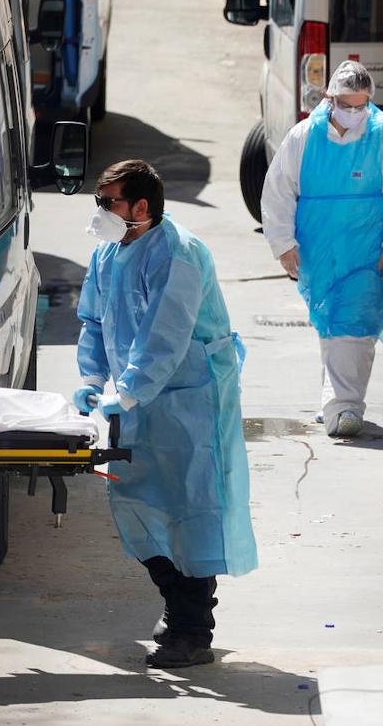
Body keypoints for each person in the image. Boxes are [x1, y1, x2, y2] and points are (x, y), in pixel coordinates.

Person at [74, 160, 257, 668]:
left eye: (108, 202)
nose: (101, 211)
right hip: (137, 400)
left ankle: (192, 629)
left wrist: (127, 390)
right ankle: (179, 607)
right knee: (136, 503)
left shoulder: (179, 254)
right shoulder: (109, 252)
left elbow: (165, 336)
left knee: (190, 509)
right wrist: (92, 380)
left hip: (188, 399)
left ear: (141, 207)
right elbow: (93, 319)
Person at [260, 60, 383, 437]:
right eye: (345, 104)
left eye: (360, 105)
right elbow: (279, 191)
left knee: (356, 323)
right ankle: (334, 399)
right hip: (319, 248)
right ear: (329, 98)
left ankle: (345, 407)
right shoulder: (303, 137)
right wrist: (283, 243)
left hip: (367, 247)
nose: (352, 112)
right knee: (330, 321)